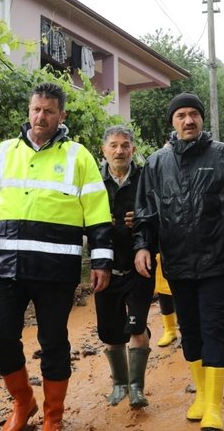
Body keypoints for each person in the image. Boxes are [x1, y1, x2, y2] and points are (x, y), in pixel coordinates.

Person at [0, 82, 113, 431]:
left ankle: (54, 416)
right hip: (6, 269)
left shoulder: (78, 156)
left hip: (56, 271)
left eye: (49, 111)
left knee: (53, 343)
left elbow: (97, 212)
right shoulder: (4, 153)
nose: (41, 117)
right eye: (36, 109)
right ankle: (23, 401)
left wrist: (101, 261)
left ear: (61, 115)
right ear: (29, 111)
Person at [133, 92, 224, 431]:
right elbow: (146, 211)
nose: (188, 120)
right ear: (173, 122)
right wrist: (143, 246)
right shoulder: (157, 162)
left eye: (194, 114)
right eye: (181, 115)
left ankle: (214, 407)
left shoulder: (223, 155)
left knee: (214, 327)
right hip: (177, 261)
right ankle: (202, 395)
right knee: (189, 330)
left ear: (202, 119)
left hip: (218, 259)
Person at [96, 125, 154, 409]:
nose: (119, 151)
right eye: (114, 145)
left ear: (133, 149)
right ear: (103, 150)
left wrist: (141, 220)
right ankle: (119, 383)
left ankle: (136, 387)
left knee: (137, 327)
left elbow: (157, 214)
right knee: (110, 331)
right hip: (105, 267)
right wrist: (97, 222)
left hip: (138, 267)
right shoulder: (94, 181)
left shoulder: (145, 179)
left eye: (125, 146)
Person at [153, 255, 179, 347]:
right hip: (160, 258)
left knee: (181, 295)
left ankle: (188, 331)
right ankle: (169, 330)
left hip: (178, 259)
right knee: (163, 292)